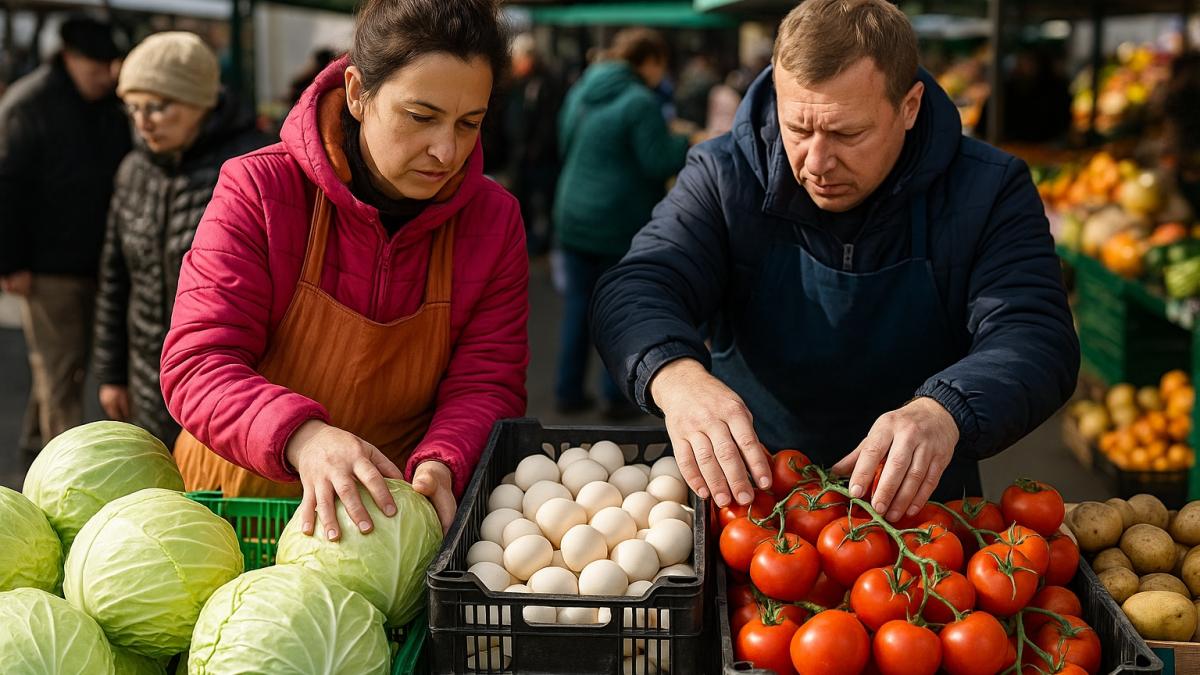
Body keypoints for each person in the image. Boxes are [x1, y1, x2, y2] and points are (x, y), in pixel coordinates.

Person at [591, 0, 1079, 522]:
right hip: (755, 502)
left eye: (848, 134)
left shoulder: (990, 189)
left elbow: (1035, 332)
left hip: (922, 513)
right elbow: (639, 283)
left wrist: (945, 411)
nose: (817, 163)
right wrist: (677, 377)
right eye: (797, 130)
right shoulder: (722, 174)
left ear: (909, 106)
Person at [160, 0, 528, 537]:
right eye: (420, 117)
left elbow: (487, 381)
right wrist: (303, 436)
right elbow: (198, 363)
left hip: (380, 522)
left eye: (469, 123)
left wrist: (444, 460)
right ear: (357, 93)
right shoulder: (260, 190)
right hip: (234, 512)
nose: (446, 150)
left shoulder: (494, 221)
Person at [92, 32, 271, 446]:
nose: (143, 122)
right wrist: (111, 375)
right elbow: (116, 279)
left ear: (202, 102)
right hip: (147, 382)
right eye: (132, 107)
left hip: (230, 392)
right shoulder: (133, 171)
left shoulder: (252, 169)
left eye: (157, 106)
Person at [0, 16, 130, 451]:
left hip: (97, 259)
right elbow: (8, 188)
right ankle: (63, 464)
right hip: (47, 267)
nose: (104, 78)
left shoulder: (107, 105)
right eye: (96, 69)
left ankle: (35, 448)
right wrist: (12, 262)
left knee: (60, 368)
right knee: (62, 371)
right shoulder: (28, 104)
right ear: (70, 58)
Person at [553, 27, 690, 419]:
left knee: (578, 306)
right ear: (648, 61)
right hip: (615, 219)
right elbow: (658, 161)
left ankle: (567, 391)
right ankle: (616, 398)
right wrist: (686, 141)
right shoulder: (639, 101)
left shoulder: (582, 89)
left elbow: (563, 142)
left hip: (572, 210)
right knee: (620, 307)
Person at [502, 33, 561, 255]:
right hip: (520, 154)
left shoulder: (545, 83)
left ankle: (542, 242)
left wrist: (535, 149)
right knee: (522, 198)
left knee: (542, 201)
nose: (515, 64)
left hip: (540, 158)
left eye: (518, 59)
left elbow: (547, 122)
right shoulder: (516, 82)